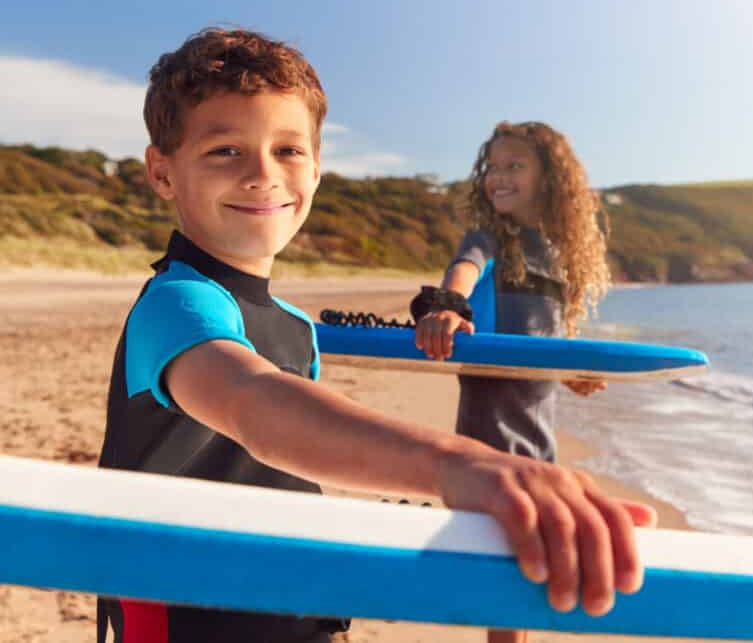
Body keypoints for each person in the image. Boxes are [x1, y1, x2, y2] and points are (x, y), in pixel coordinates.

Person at [97, 31, 653, 643]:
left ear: (316, 167)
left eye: (287, 149)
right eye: (226, 150)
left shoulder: (290, 325)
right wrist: (456, 464)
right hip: (191, 626)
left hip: (295, 613)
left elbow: (274, 464)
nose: (263, 175)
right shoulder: (178, 303)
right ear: (162, 172)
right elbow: (254, 405)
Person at [412, 121, 614, 643]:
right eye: (493, 168)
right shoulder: (489, 238)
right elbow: (463, 270)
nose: (498, 178)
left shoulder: (557, 252)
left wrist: (573, 371)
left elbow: (545, 338)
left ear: (549, 178)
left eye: (514, 166)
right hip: (492, 427)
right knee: (511, 565)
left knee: (527, 573)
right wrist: (449, 309)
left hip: (538, 432)